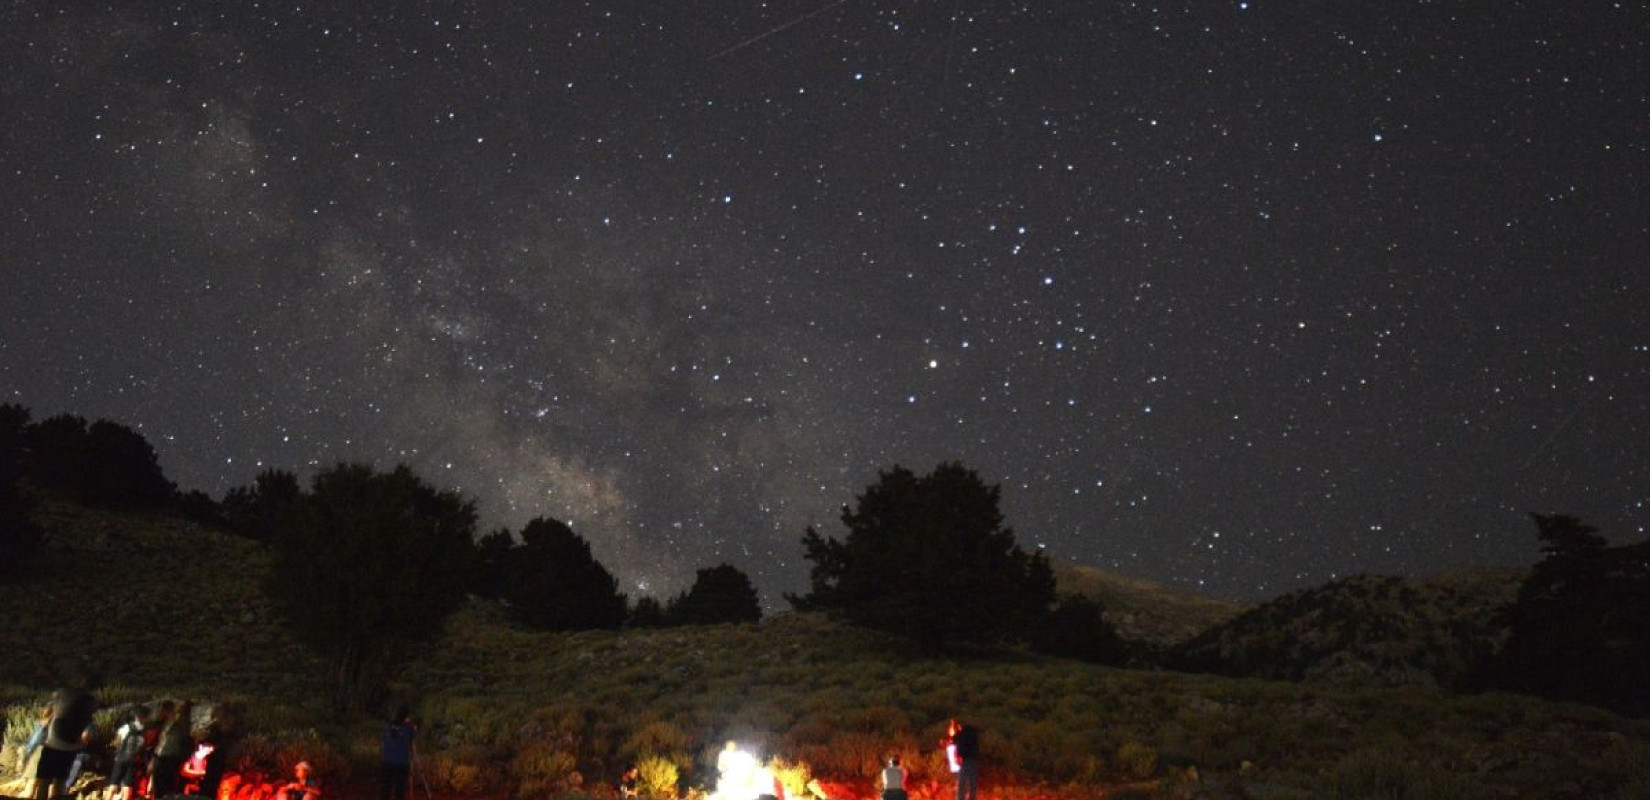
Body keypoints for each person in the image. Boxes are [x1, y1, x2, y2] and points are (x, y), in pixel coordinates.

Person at [32, 688, 97, 800]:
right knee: (60, 782)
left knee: (44, 782)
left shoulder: (59, 707)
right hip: (69, 752)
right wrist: (76, 747)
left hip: (52, 747)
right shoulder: (87, 717)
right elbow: (85, 740)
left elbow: (45, 717)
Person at [106, 705, 155, 800]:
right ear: (147, 717)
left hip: (121, 758)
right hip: (133, 761)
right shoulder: (146, 731)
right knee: (128, 787)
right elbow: (146, 745)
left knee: (113, 785)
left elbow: (117, 742)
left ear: (136, 716)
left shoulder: (126, 727)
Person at [151, 700, 194, 797]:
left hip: (170, 759)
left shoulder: (180, 725)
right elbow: (160, 743)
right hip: (160, 758)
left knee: (167, 788)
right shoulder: (164, 724)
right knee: (158, 788)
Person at [379, 707, 417, 800]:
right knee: (400, 791)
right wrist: (412, 725)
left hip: (387, 762)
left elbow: (383, 738)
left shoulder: (386, 726)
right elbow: (413, 736)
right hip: (401, 763)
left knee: (385, 790)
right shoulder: (408, 728)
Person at [952, 722, 980, 800]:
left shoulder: (962, 734)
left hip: (966, 761)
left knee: (962, 784)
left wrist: (958, 756)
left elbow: (959, 746)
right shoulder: (973, 734)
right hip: (974, 760)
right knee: (973, 784)